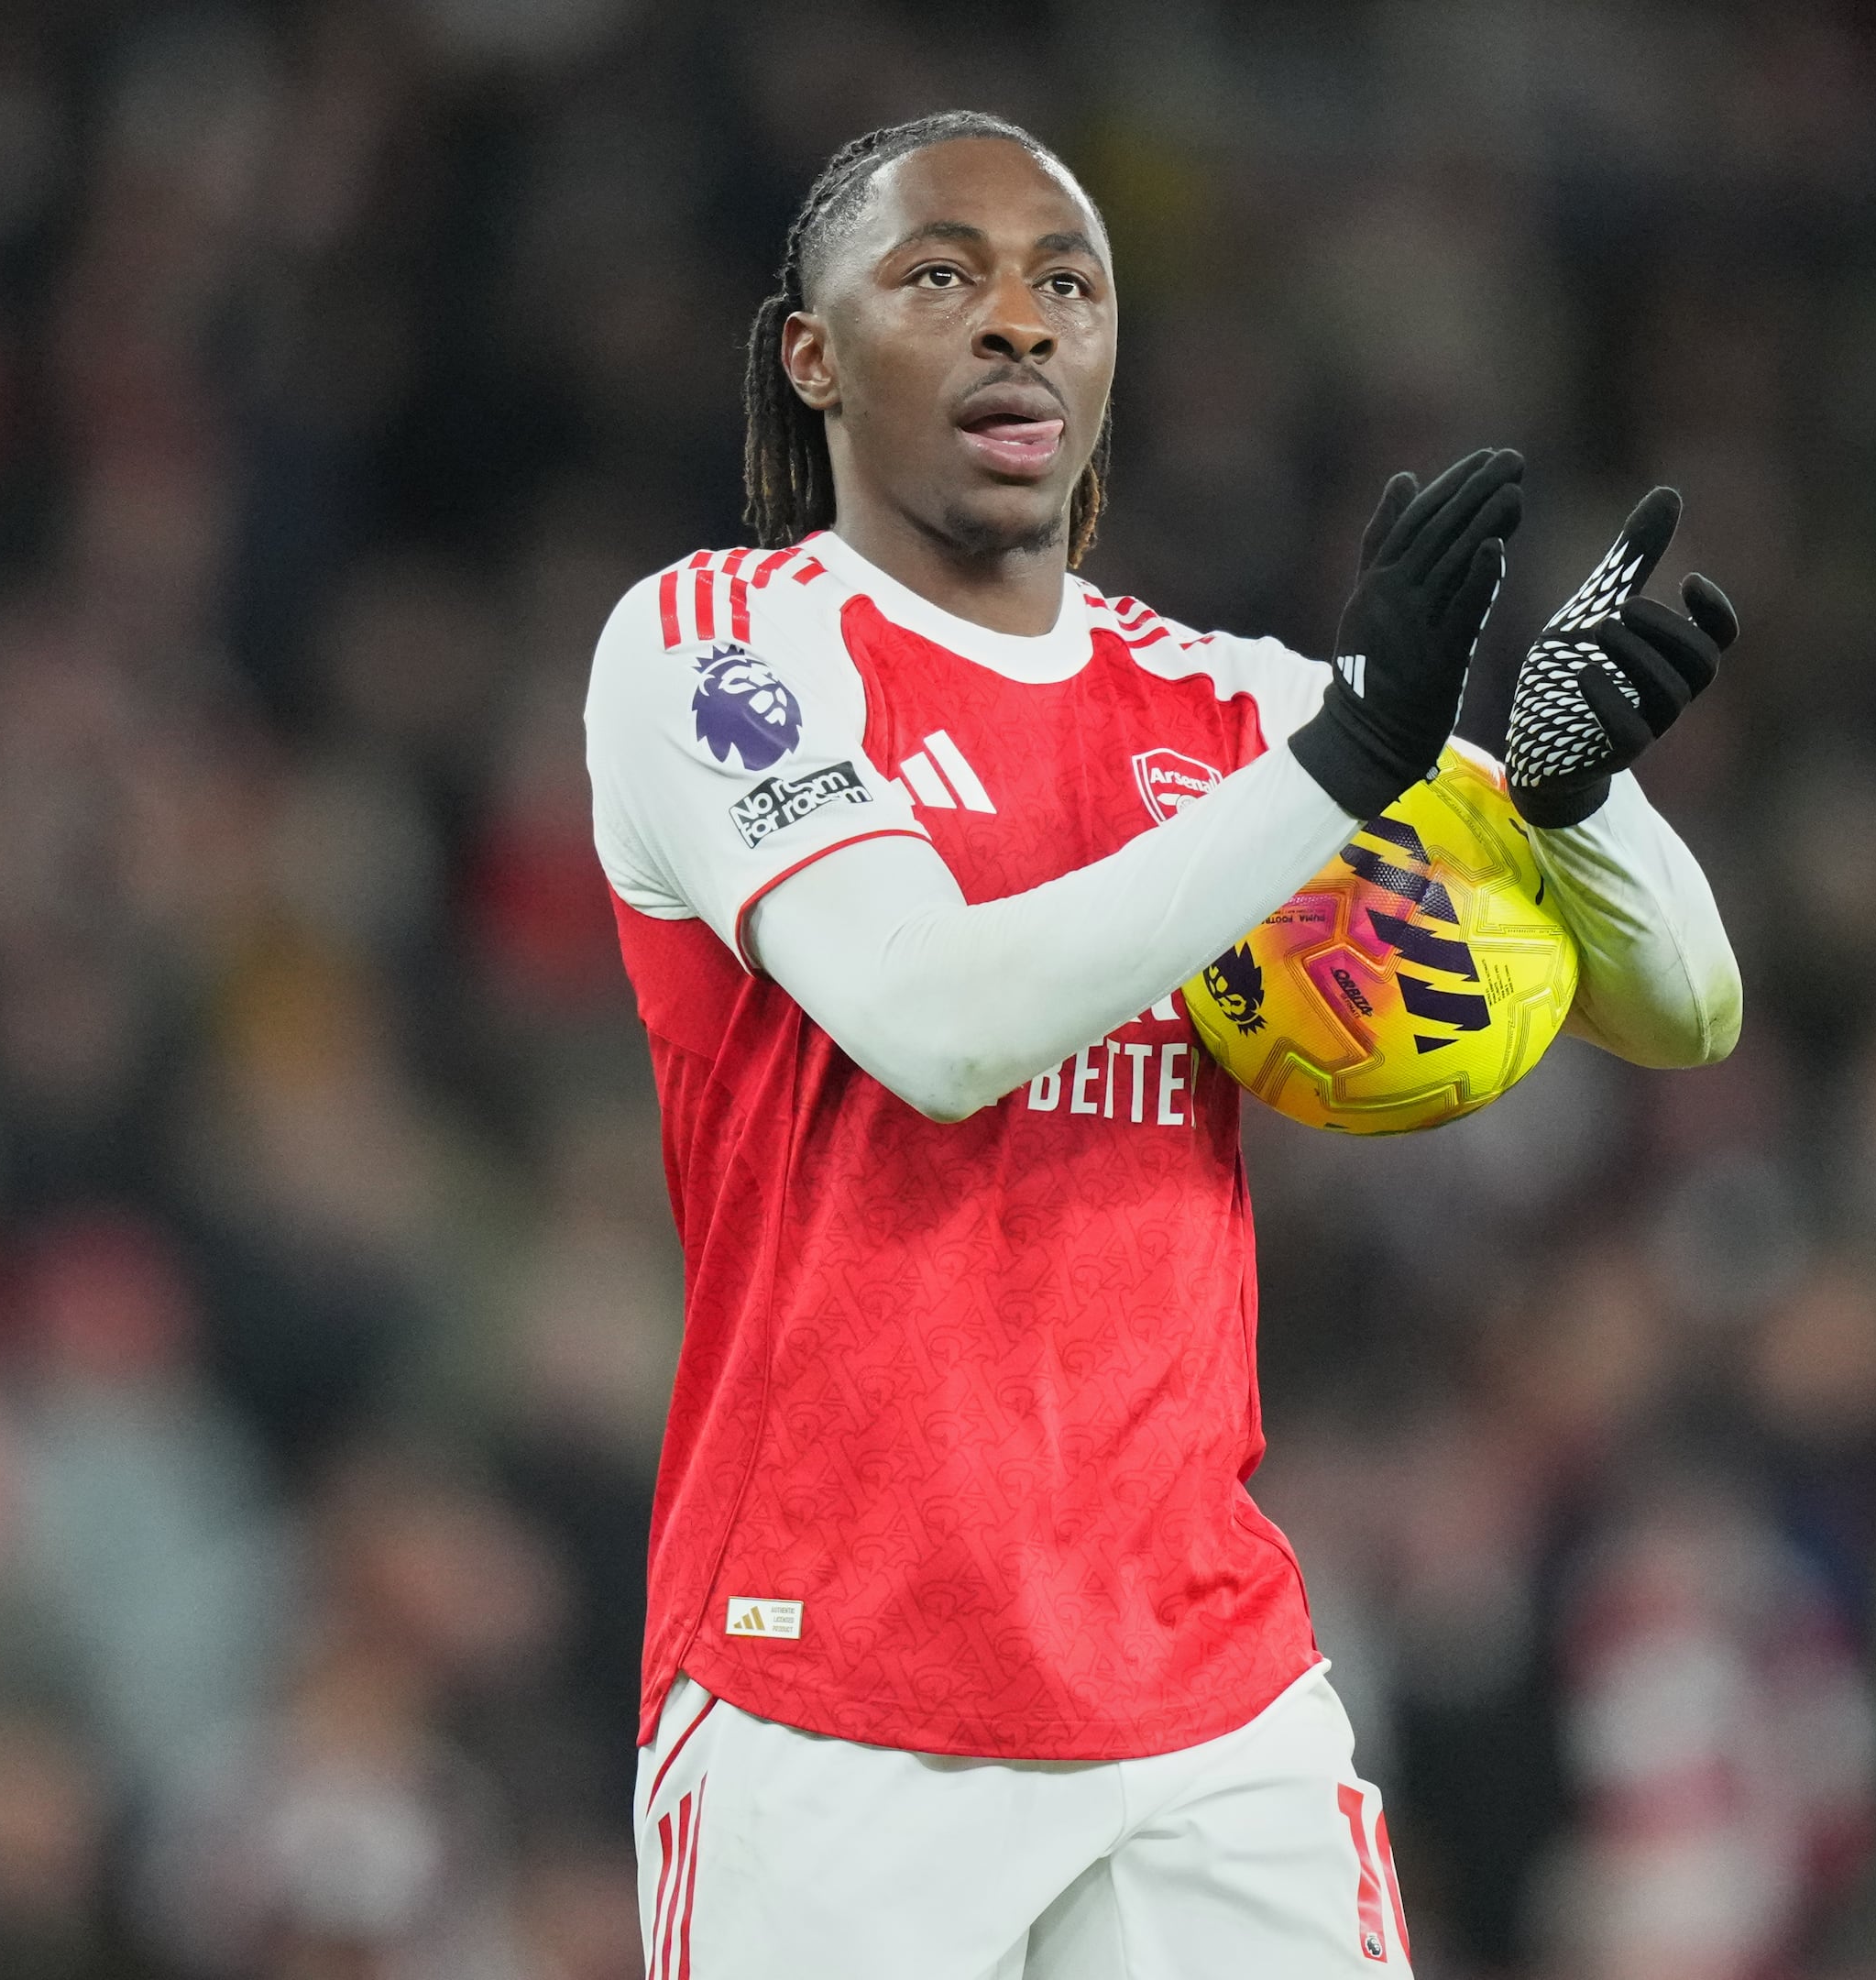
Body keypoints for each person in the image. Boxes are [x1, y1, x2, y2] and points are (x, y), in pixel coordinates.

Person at [584, 109, 1743, 1975]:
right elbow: (938, 1025)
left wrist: (1569, 796)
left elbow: (1686, 1003)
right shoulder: (717, 650)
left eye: (1068, 286)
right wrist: (1349, 765)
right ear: (814, 356)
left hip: (1202, 1693)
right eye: (940, 276)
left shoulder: (1225, 707)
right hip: (831, 1695)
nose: (1017, 325)